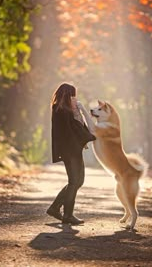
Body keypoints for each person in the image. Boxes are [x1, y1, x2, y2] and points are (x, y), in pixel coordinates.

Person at [46, 83, 96, 225]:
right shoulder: (61, 110)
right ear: (68, 95)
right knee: (74, 181)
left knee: (78, 181)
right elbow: (75, 129)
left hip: (73, 150)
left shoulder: (63, 109)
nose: (75, 98)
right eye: (73, 95)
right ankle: (67, 214)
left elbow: (77, 128)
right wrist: (76, 112)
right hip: (70, 151)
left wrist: (77, 112)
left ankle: (55, 207)